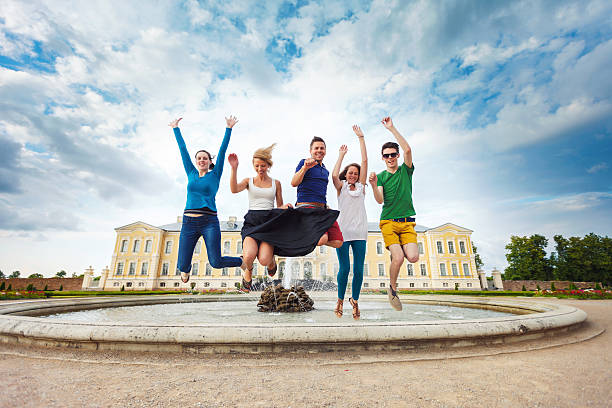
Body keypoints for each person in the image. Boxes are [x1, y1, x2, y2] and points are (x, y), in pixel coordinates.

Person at [169, 116, 244, 284]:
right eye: (199, 158)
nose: (201, 160)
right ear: (196, 162)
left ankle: (241, 261)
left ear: (210, 161)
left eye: (205, 158)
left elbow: (223, 150)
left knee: (216, 262)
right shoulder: (191, 173)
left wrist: (228, 128)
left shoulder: (215, 175)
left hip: (209, 222)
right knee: (182, 265)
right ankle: (185, 271)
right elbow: (183, 149)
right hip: (188, 223)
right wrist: (176, 129)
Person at [369, 116, 418, 311]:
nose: (390, 158)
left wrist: (392, 128)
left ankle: (395, 252)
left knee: (413, 257)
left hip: (407, 223)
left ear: (397, 156)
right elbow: (379, 200)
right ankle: (392, 287)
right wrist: (373, 186)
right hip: (388, 221)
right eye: (386, 155)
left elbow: (408, 150)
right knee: (398, 258)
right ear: (382, 158)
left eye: (392, 154)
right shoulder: (380, 176)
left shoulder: (406, 171)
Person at [228, 144, 291, 292]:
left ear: (268, 165)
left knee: (263, 260)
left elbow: (278, 207)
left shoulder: (276, 183)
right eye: (257, 166)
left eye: (263, 165)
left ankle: (271, 263)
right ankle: (248, 272)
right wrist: (234, 168)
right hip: (252, 222)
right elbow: (234, 189)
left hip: (269, 223)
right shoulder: (248, 181)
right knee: (249, 256)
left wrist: (285, 207)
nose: (260, 168)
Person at [331, 125, 368, 319]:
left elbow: (364, 160)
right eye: (350, 172)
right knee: (344, 268)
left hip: (360, 233)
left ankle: (354, 300)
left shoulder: (362, 187)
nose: (353, 175)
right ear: (347, 174)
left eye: (356, 173)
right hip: (343, 232)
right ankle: (339, 300)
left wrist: (361, 138)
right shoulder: (342, 187)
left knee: (359, 270)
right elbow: (334, 176)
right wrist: (341, 155)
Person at [291, 136, 343, 248]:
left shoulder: (325, 170)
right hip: (306, 208)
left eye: (322, 148)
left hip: (322, 209)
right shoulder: (304, 163)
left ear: (325, 151)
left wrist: (325, 204)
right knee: (322, 239)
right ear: (311, 151)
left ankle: (305, 236)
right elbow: (294, 183)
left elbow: (320, 190)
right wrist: (305, 168)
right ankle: (299, 235)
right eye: (316, 148)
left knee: (338, 242)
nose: (319, 150)